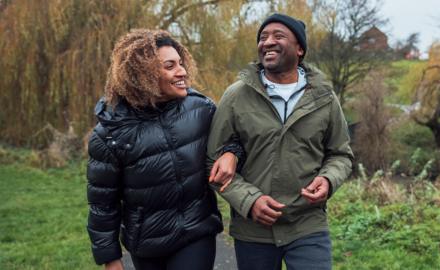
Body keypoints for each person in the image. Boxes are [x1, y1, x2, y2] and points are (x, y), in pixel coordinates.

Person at [207, 13, 354, 270]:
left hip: (307, 225)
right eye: (263, 37)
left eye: (278, 36)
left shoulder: (324, 97)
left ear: (300, 49)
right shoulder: (236, 96)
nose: (268, 42)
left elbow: (341, 154)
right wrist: (249, 200)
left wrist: (329, 180)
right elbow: (212, 160)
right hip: (254, 231)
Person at [86, 29, 241, 270]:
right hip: (146, 244)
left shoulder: (201, 109)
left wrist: (232, 152)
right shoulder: (110, 132)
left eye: (181, 63)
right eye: (170, 66)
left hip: (195, 232)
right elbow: (102, 202)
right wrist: (110, 258)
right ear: (142, 74)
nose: (182, 72)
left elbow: (233, 136)